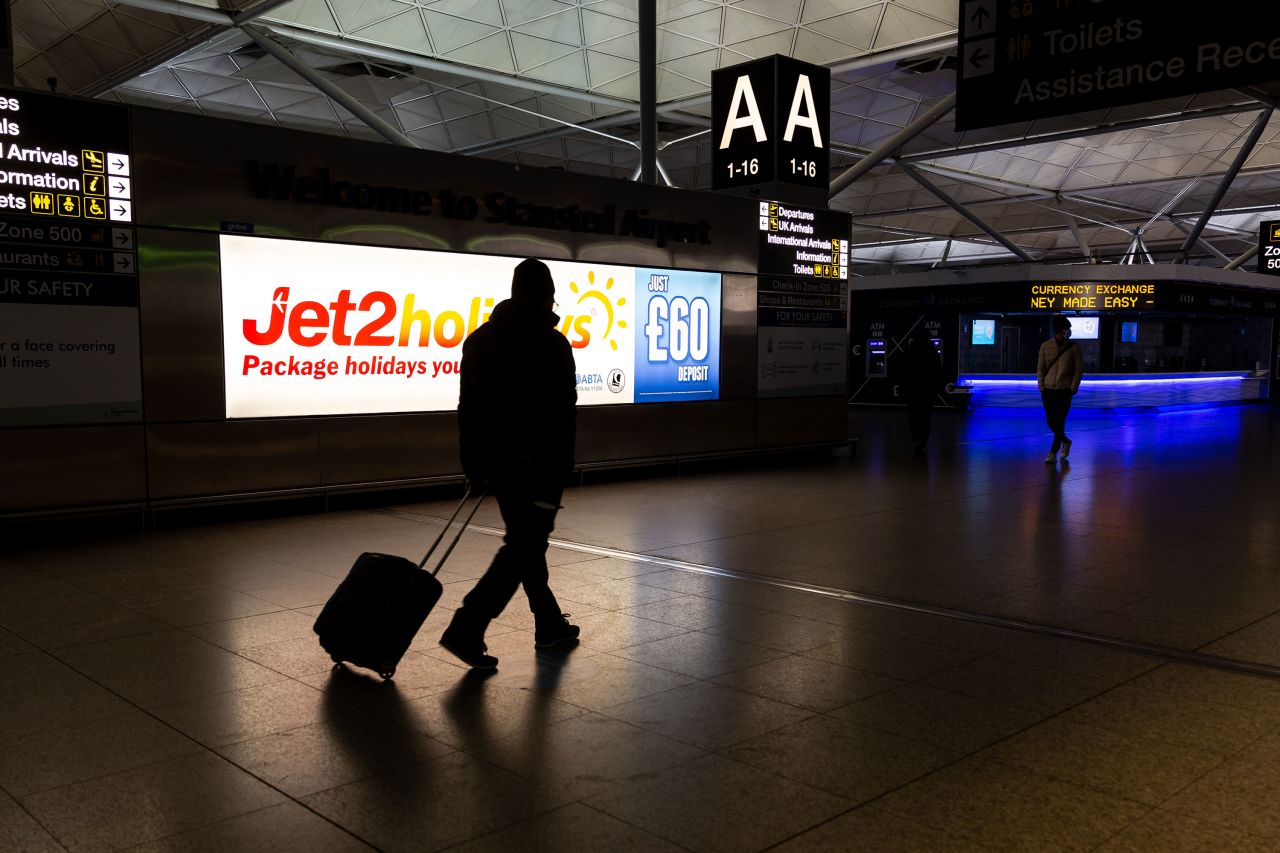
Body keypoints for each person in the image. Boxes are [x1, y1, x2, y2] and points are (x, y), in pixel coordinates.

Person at [440, 258, 580, 669]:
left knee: (525, 542)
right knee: (524, 546)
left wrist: (472, 460)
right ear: (547, 294)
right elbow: (562, 415)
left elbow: (467, 408)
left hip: (496, 462)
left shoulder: (479, 340)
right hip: (538, 468)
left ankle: (549, 623)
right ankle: (468, 625)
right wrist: (561, 469)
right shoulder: (552, 344)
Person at [1037, 315, 1084, 464]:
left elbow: (1078, 369)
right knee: (1051, 421)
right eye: (1066, 328)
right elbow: (1041, 368)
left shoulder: (1074, 347)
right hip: (1048, 389)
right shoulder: (1046, 346)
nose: (1068, 331)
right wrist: (1041, 386)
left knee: (1060, 420)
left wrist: (1073, 388)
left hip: (1065, 390)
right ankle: (1066, 441)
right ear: (1060, 330)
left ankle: (1053, 452)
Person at [894, 335, 944, 454]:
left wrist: (903, 389)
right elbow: (938, 372)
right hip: (927, 391)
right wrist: (936, 390)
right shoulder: (932, 353)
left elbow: (902, 371)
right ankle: (923, 441)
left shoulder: (909, 352)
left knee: (913, 415)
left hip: (912, 391)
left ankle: (915, 439)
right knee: (925, 416)